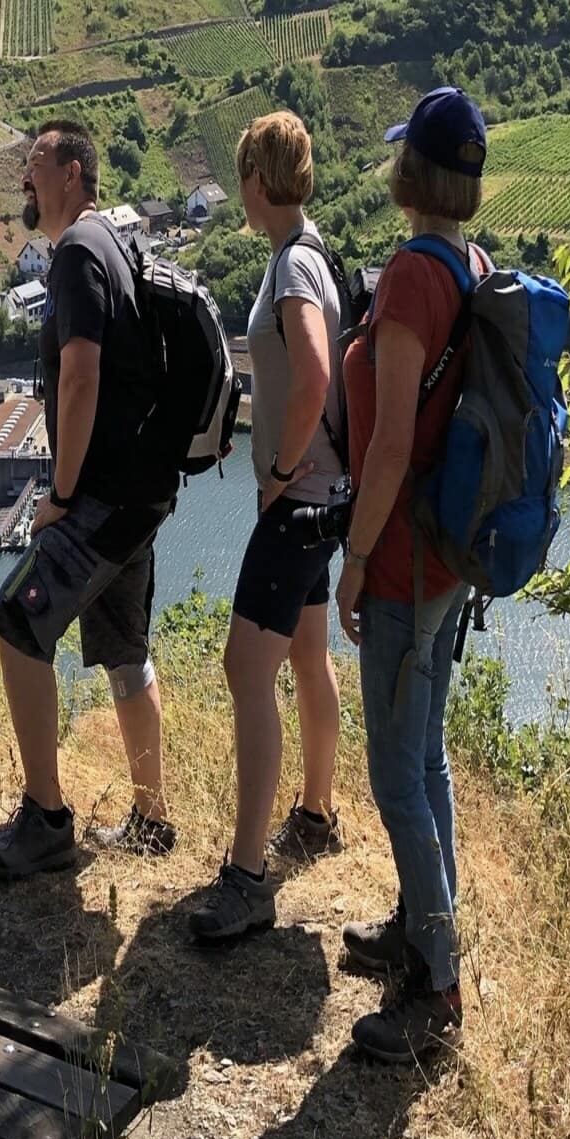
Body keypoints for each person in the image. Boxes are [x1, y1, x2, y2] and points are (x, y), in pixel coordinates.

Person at [0, 121, 179, 879]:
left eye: (35, 164)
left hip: (96, 499)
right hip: (138, 496)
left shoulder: (78, 254)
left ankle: (47, 818)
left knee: (16, 622)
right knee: (127, 656)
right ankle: (153, 819)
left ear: (73, 171)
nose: (24, 178)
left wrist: (59, 495)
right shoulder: (117, 242)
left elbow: (83, 375)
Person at [333, 86, 489, 1062]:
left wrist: (352, 562)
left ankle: (435, 990)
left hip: (401, 555)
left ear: (410, 174)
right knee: (425, 758)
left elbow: (388, 444)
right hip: (448, 552)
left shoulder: (409, 282)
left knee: (395, 773)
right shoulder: (471, 267)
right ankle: (421, 929)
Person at [190, 110, 348, 945]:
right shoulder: (319, 252)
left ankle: (248, 876)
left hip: (298, 504)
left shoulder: (290, 269)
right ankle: (316, 812)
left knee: (245, 670)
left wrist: (282, 471)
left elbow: (315, 372)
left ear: (256, 179)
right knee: (309, 657)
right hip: (331, 503)